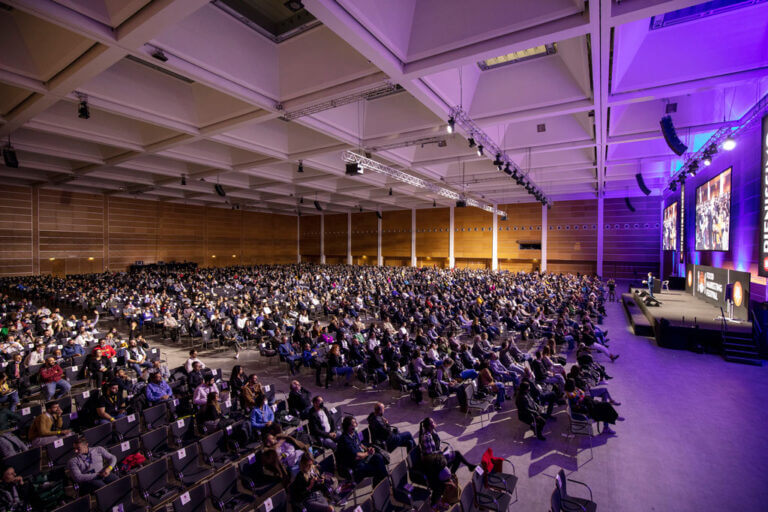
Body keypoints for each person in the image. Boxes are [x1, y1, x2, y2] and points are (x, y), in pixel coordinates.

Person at [337, 416, 388, 484]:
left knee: (379, 457)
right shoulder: (345, 440)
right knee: (378, 469)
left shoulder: (353, 433)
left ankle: (385, 483)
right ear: (348, 427)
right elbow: (357, 456)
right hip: (355, 466)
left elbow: (359, 443)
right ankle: (384, 485)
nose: (356, 424)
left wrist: (367, 448)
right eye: (354, 423)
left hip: (362, 459)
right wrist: (368, 453)